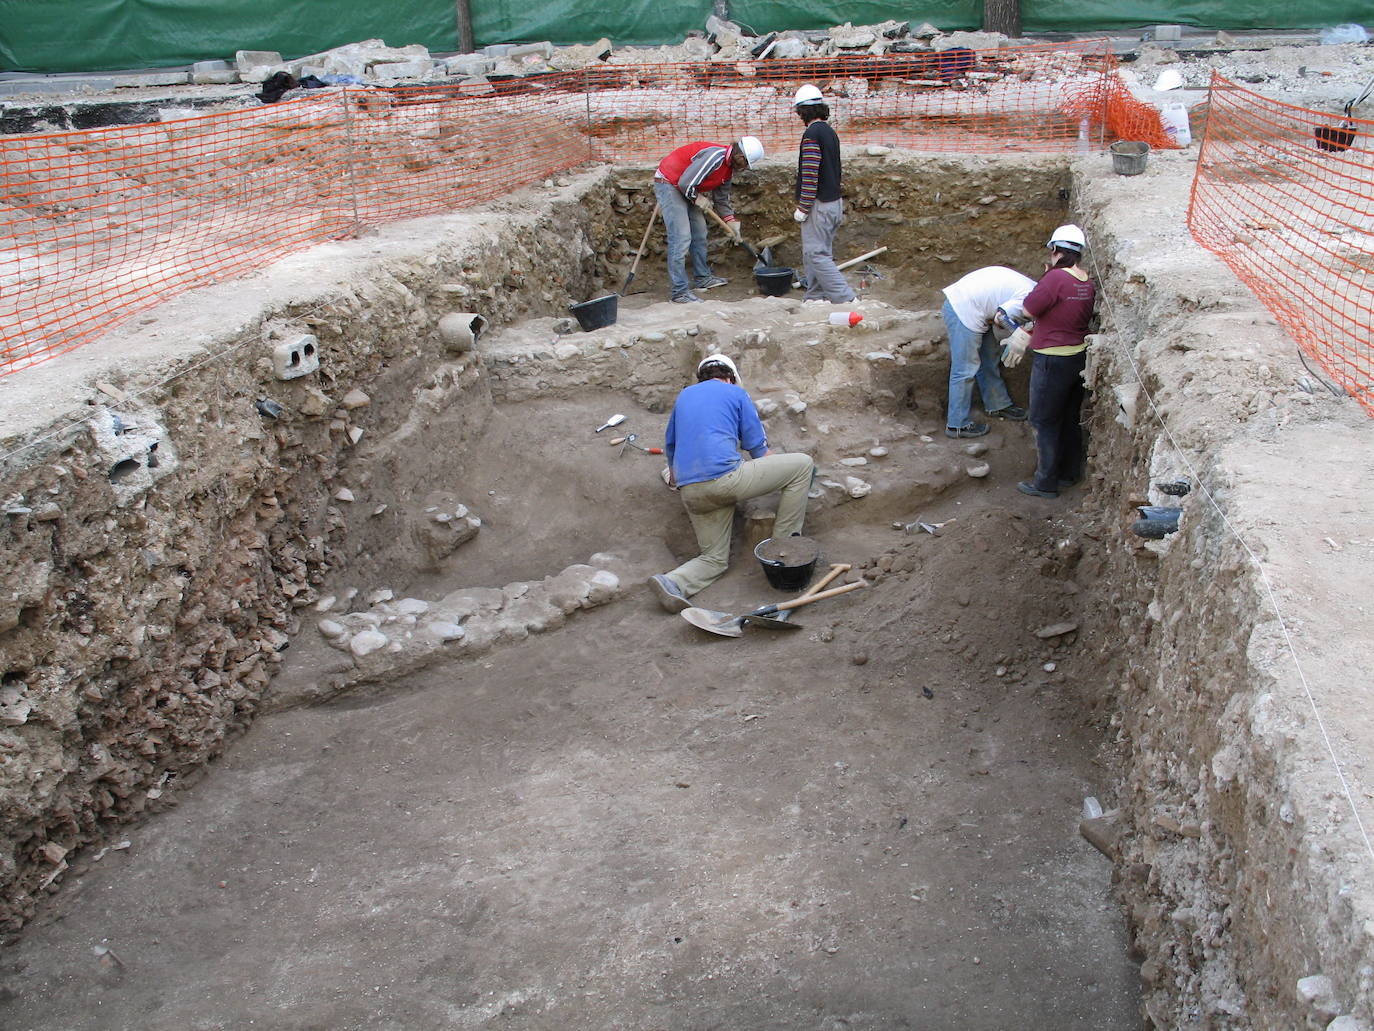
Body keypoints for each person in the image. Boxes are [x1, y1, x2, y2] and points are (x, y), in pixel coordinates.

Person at [650, 354, 816, 612]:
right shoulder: (736, 393)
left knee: (713, 559)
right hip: (726, 480)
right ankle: (785, 548)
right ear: (730, 378)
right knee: (802, 464)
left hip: (691, 491)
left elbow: (671, 450)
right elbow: (759, 450)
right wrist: (784, 475)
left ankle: (673, 582)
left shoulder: (684, 397)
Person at [1006, 224, 1096, 499]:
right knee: (1068, 417)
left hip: (1052, 359)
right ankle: (1068, 473)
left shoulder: (1055, 279)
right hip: (1077, 356)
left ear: (1055, 250)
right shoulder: (1085, 281)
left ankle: (1045, 483)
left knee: (1044, 420)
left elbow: (1028, 308)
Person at [653, 137, 765, 304]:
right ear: (740, 157)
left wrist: (731, 222)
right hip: (670, 183)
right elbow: (685, 183)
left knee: (700, 232)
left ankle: (702, 277)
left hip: (687, 188)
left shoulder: (727, 171)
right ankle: (679, 292)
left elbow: (721, 201)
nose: (745, 168)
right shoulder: (715, 158)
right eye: (746, 163)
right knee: (681, 237)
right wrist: (697, 198)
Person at [940, 265, 1035, 438]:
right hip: (963, 308)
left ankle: (997, 404)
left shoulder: (1037, 293)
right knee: (965, 369)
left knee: (988, 357)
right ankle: (957, 425)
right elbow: (1001, 317)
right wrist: (1018, 335)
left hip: (978, 307)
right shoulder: (1029, 298)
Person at [791, 85, 856, 303]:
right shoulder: (829, 132)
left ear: (802, 111)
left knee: (816, 255)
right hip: (834, 203)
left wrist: (803, 206)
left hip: (819, 205)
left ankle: (845, 298)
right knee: (818, 253)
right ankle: (815, 296)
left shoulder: (812, 134)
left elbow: (811, 173)